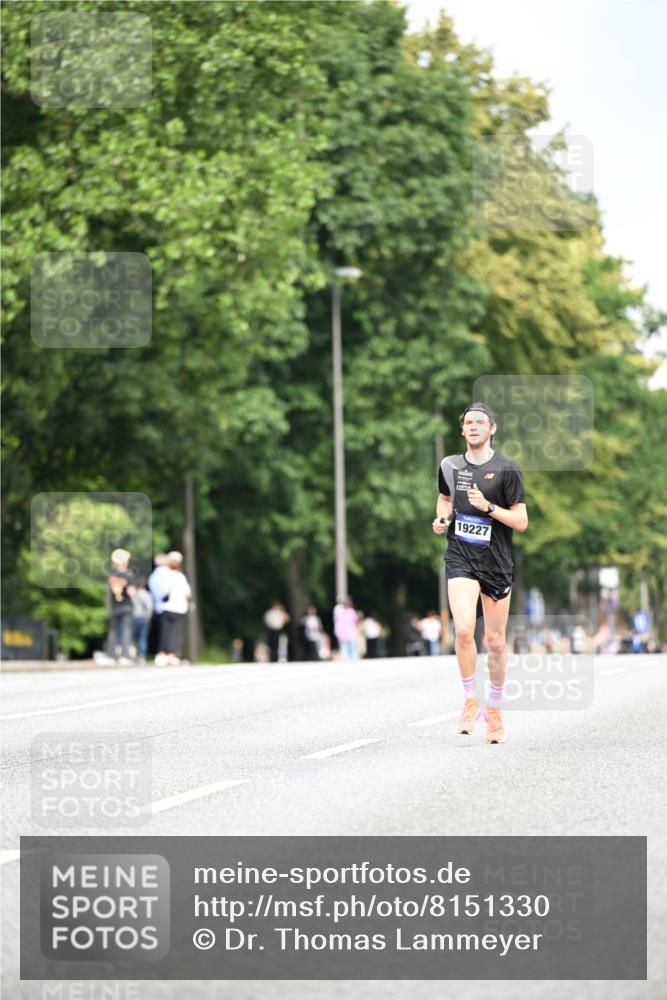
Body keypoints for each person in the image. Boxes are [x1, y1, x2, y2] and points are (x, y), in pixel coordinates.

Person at [433, 402, 528, 744]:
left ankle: (496, 709)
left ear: (492, 429)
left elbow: (521, 521)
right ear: (462, 430)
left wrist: (488, 507)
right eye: (468, 423)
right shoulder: (449, 465)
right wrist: (442, 520)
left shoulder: (506, 469)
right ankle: (470, 700)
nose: (473, 427)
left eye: (480, 422)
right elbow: (444, 499)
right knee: (463, 630)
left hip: (497, 564)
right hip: (460, 558)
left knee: (496, 641)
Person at [156, 551, 192, 666]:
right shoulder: (180, 576)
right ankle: (171, 654)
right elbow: (188, 593)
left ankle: (162, 654)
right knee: (176, 632)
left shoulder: (163, 575)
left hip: (166, 607)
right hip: (179, 607)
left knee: (165, 631)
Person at [106, 548, 135, 664]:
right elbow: (132, 592)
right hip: (126, 605)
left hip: (114, 606)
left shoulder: (111, 574)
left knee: (112, 631)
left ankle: (111, 656)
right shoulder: (128, 574)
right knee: (126, 630)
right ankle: (125, 656)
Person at [148, 554, 171, 655]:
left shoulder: (153, 575)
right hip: (168, 604)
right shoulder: (166, 573)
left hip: (158, 605)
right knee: (169, 631)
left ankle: (161, 652)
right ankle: (166, 652)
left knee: (162, 630)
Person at [131, 577, 153, 663]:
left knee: (133, 638)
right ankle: (142, 656)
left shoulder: (133, 594)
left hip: (134, 617)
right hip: (143, 618)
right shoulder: (146, 594)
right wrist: (148, 617)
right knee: (143, 638)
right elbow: (150, 607)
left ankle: (133, 655)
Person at [333, 596, 359, 661]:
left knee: (352, 646)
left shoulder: (351, 611)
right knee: (344, 647)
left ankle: (353, 659)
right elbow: (337, 621)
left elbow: (356, 621)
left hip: (351, 632)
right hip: (342, 633)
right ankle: (346, 660)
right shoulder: (339, 610)